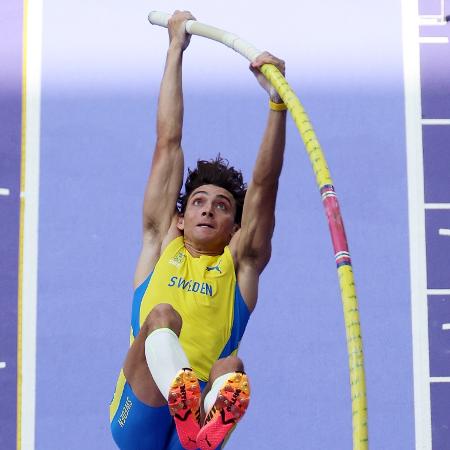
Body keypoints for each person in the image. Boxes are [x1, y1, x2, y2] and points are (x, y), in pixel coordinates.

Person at [110, 10, 286, 450]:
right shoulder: (160, 242)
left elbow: (265, 186)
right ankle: (183, 397)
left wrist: (277, 103)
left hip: (197, 434)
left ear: (234, 228)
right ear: (180, 217)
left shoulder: (239, 268)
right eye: (198, 202)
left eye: (222, 206)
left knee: (233, 369)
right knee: (162, 317)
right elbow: (167, 141)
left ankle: (198, 423)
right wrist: (175, 49)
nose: (207, 210)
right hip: (139, 418)